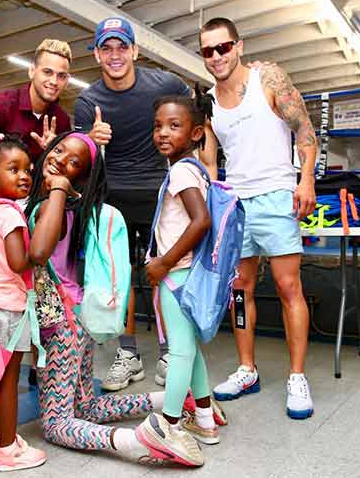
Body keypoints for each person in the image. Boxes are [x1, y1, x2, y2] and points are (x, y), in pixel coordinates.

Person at [25, 131, 201, 467]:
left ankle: (137, 440)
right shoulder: (81, 208)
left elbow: (38, 252)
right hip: (80, 318)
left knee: (56, 423)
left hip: (58, 325)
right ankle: (173, 400)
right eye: (58, 149)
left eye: (73, 161)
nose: (61, 159)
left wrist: (58, 188)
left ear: (82, 175)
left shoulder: (54, 203)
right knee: (87, 407)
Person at [198, 17, 317, 419]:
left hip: (276, 197)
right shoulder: (209, 102)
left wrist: (306, 181)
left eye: (223, 47)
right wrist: (212, 204)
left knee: (288, 286)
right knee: (239, 289)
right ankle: (247, 369)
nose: (216, 56)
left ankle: (297, 376)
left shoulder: (270, 79)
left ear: (238, 45)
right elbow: (210, 159)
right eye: (208, 51)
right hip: (236, 204)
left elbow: (304, 131)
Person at [74, 17, 191, 391]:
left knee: (164, 275)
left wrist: (197, 171)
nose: (115, 55)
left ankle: (169, 350)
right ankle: (128, 356)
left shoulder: (166, 84)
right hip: (114, 199)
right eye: (106, 48)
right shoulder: (88, 101)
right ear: (96, 54)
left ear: (135, 50)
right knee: (119, 279)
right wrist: (92, 139)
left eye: (122, 46)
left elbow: (192, 120)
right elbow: (78, 159)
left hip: (161, 194)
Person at [143, 93, 220, 453]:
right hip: (188, 273)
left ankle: (169, 424)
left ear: (196, 133)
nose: (163, 133)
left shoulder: (181, 172)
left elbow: (201, 221)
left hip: (178, 274)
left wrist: (162, 263)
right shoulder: (194, 169)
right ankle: (204, 420)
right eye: (158, 125)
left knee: (178, 353)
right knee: (190, 350)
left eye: (174, 126)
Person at [0, 136, 46, 472]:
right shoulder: (11, 215)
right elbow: (19, 263)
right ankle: (7, 449)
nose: (24, 176)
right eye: (13, 169)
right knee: (9, 382)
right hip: (10, 307)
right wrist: (39, 251)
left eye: (27, 170)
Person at [0, 39, 73, 220]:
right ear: (32, 71)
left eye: (61, 76)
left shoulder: (62, 121)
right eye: (47, 72)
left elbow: (61, 176)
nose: (54, 81)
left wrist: (51, 154)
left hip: (30, 206)